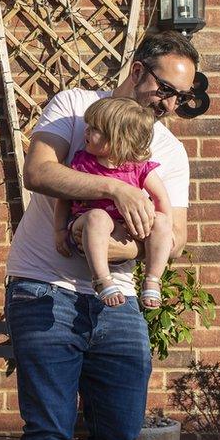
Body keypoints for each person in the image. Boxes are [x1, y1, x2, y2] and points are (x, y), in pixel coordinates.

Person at [5, 30, 198, 440]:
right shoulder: (75, 109)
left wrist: (113, 248)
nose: (170, 105)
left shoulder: (169, 151)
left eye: (180, 98)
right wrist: (115, 191)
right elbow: (37, 172)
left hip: (121, 299)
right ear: (137, 71)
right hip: (43, 287)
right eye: (166, 90)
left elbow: (177, 237)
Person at [52, 97, 172, 308]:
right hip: (86, 227)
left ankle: (152, 280)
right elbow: (63, 198)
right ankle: (101, 279)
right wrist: (59, 230)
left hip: (125, 233)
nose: (86, 132)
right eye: (88, 127)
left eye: (94, 129)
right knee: (98, 217)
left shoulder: (138, 167)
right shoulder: (82, 162)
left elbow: (162, 198)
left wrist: (164, 229)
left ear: (117, 139)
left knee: (161, 220)